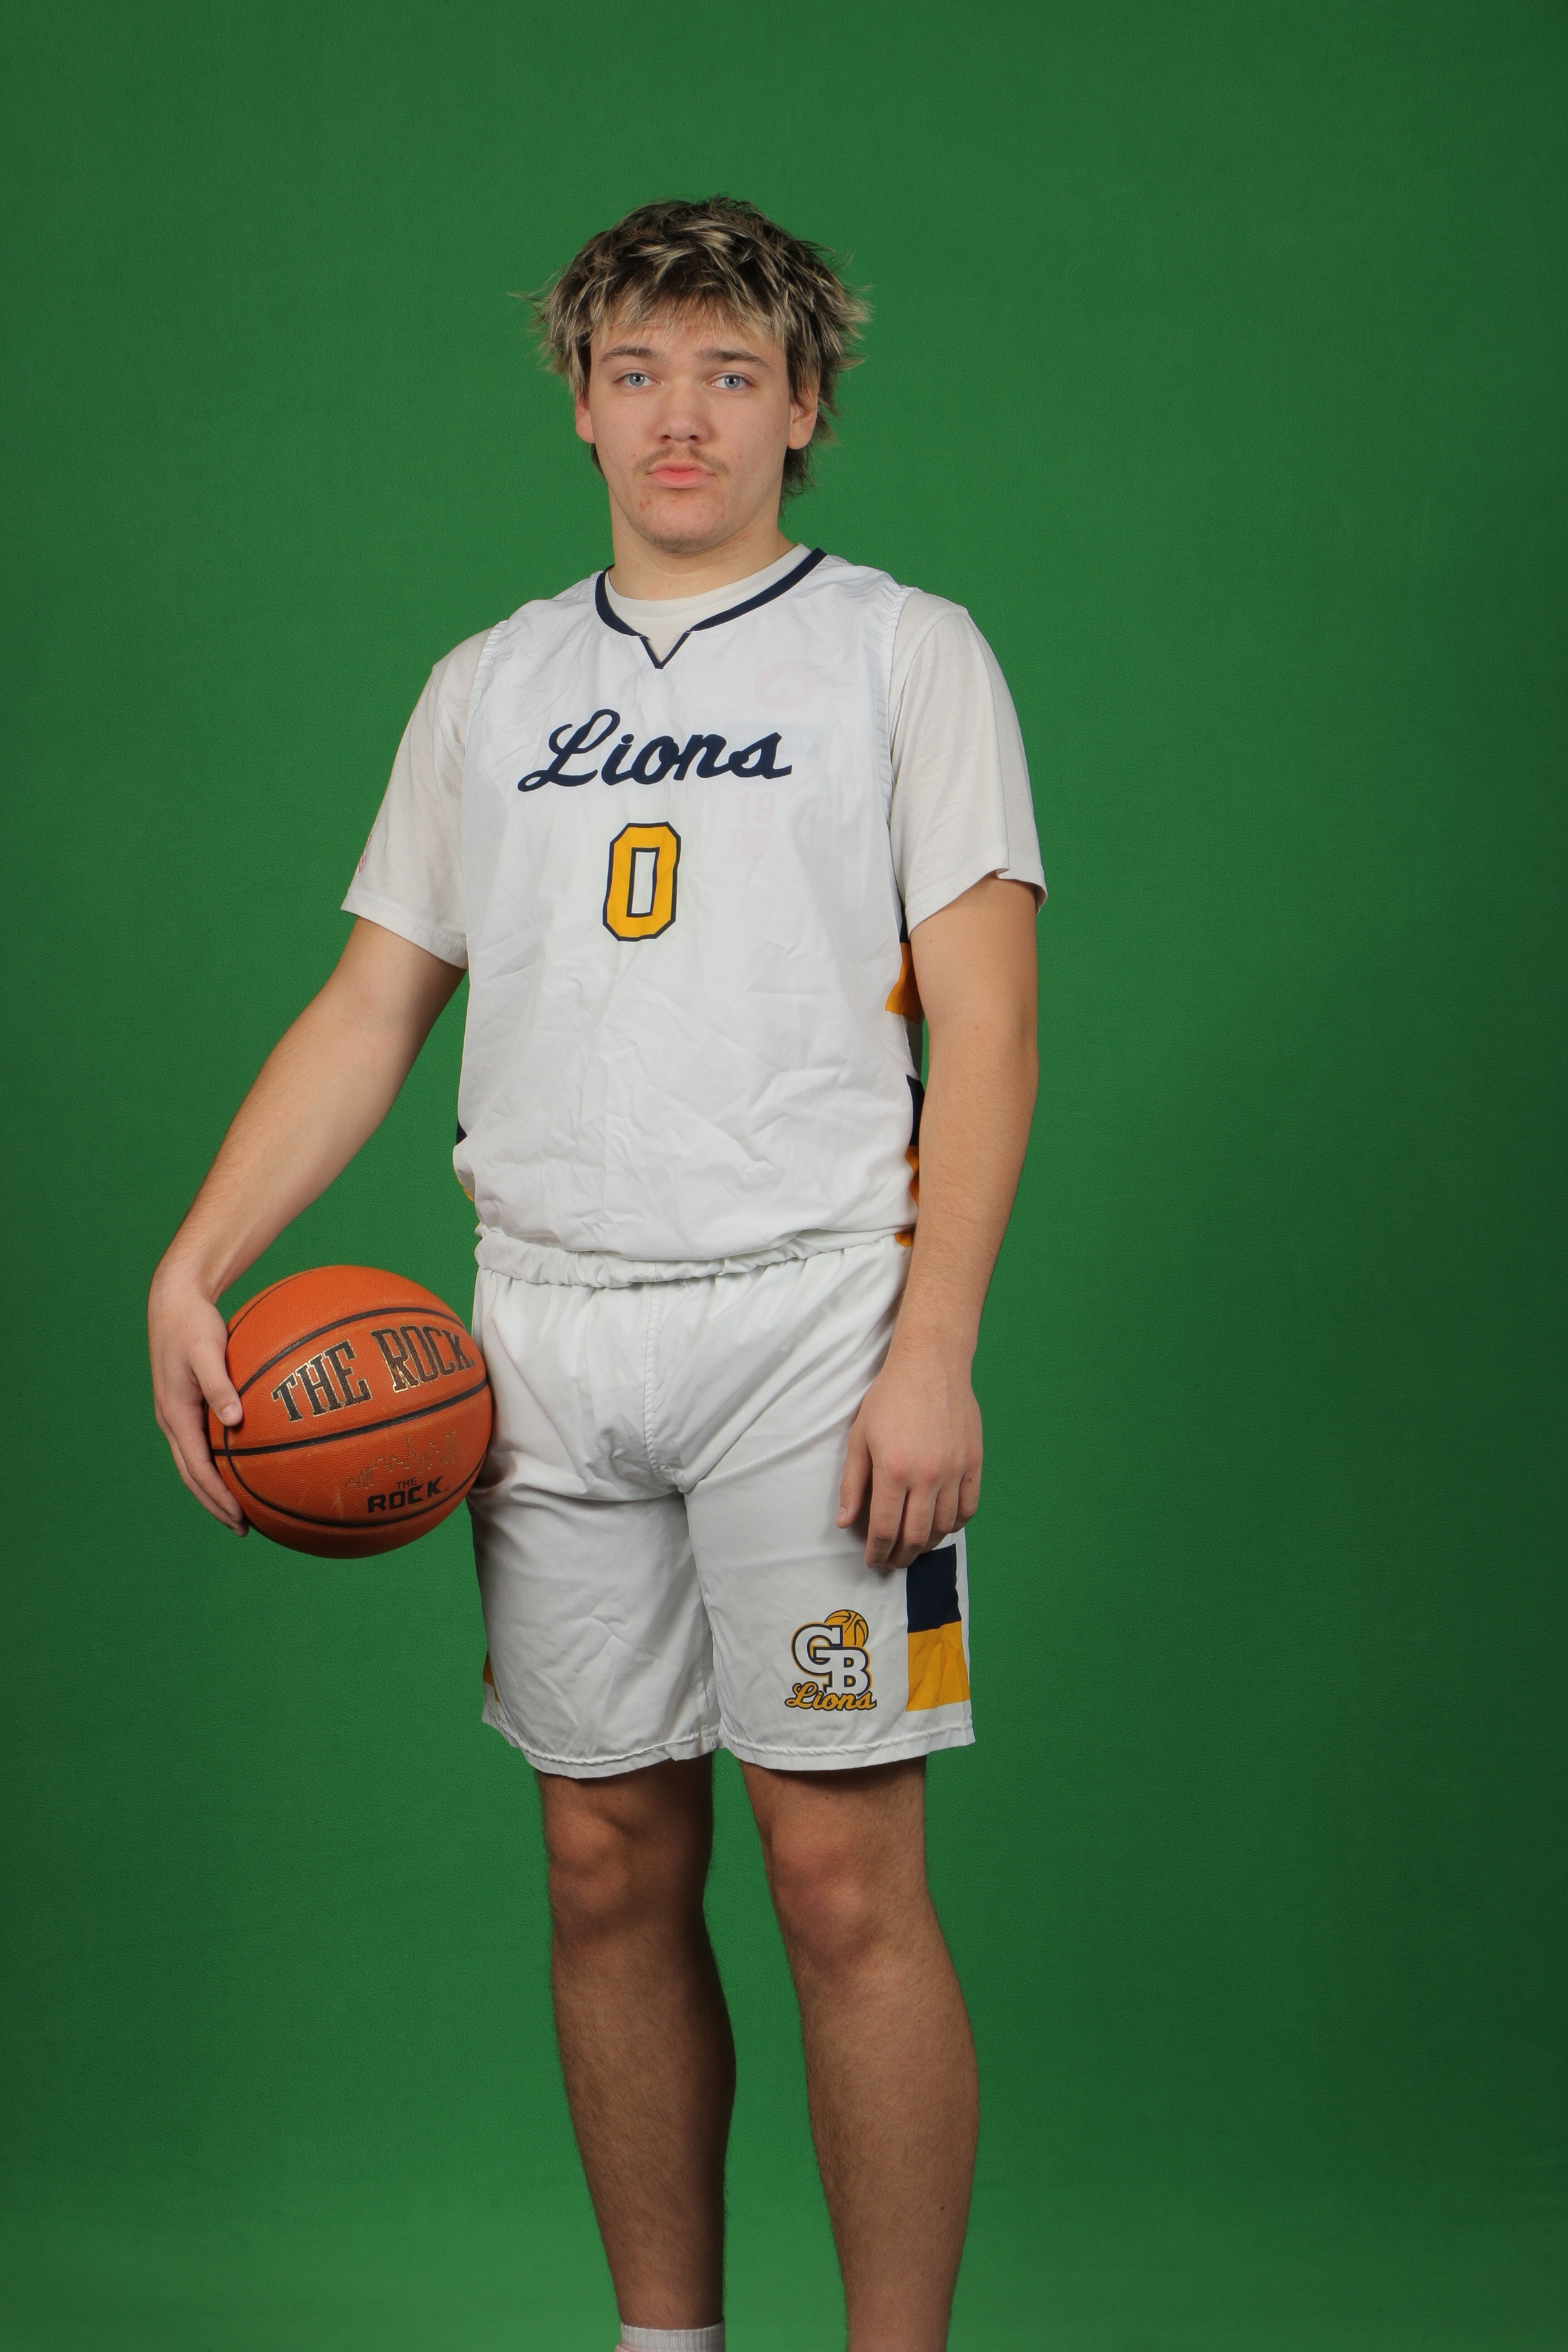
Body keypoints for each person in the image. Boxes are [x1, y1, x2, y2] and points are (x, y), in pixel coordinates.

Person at [148, 196, 1043, 2352]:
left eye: (732, 373)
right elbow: (374, 1004)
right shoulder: (491, 686)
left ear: (804, 404)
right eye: (637, 370)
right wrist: (196, 1262)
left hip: (814, 1319)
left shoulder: (904, 653)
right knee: (603, 1863)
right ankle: (667, 2344)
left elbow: (993, 1024)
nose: (680, 416)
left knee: (840, 1877)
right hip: (541, 1330)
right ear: (579, 400)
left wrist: (936, 1345)